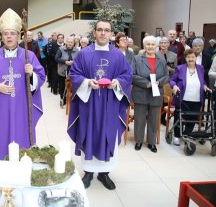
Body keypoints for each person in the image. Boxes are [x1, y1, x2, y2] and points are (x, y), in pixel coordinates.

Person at [67, 20, 132, 190]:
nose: (103, 33)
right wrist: (87, 82)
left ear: (111, 34)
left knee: (107, 134)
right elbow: (74, 74)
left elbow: (127, 74)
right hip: (89, 104)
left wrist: (117, 82)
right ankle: (88, 173)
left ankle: (105, 173)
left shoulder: (118, 55)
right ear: (94, 32)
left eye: (107, 30)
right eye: (100, 30)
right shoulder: (84, 54)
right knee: (89, 134)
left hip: (110, 104)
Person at [0, 8, 45, 160]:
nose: (9, 37)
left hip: (22, 106)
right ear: (1, 36)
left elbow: (41, 77)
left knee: (22, 144)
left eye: (12, 33)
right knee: (0, 138)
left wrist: (31, 73)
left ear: (19, 36)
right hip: (0, 108)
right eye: (5, 34)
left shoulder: (29, 56)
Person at [131, 36, 169, 153]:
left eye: (153, 44)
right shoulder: (137, 59)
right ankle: (138, 140)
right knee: (140, 118)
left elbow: (167, 76)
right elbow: (132, 75)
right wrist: (147, 83)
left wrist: (159, 82)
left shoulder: (162, 59)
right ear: (144, 46)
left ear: (156, 46)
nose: (150, 46)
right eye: (148, 44)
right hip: (141, 92)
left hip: (156, 93)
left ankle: (151, 142)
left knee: (153, 119)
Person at [170, 49, 209, 146]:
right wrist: (174, 86)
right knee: (179, 117)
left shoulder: (200, 68)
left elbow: (202, 81)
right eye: (188, 57)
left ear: (196, 58)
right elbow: (172, 80)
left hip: (196, 98)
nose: (191, 59)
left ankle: (187, 135)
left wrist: (204, 85)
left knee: (193, 118)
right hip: (182, 98)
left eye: (193, 57)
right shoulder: (180, 68)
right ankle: (177, 136)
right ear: (185, 58)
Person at [55, 36, 79, 106]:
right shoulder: (61, 49)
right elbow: (56, 58)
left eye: (71, 42)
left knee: (72, 86)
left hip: (73, 72)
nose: (70, 43)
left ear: (73, 43)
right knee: (62, 86)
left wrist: (74, 62)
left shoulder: (77, 50)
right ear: (66, 42)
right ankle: (62, 99)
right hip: (63, 71)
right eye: (68, 42)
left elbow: (80, 59)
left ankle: (70, 99)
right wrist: (65, 62)